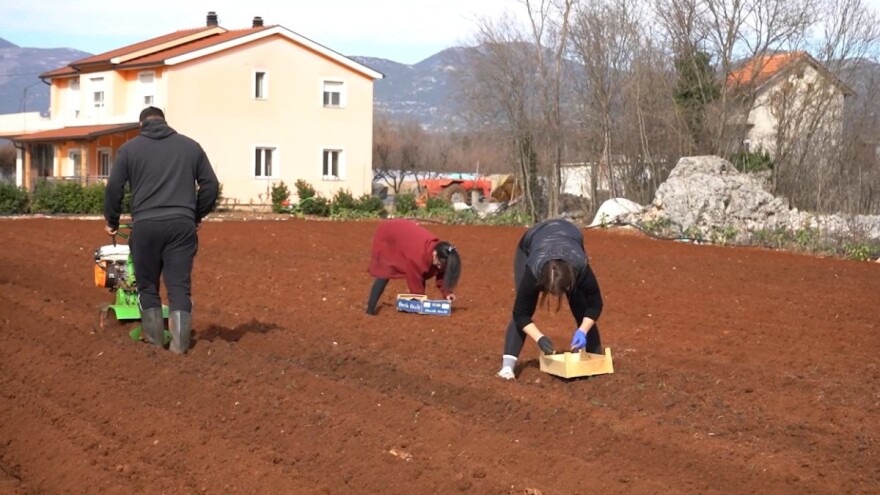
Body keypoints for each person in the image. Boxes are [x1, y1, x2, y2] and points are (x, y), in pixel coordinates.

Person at [103, 106, 219, 354]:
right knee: (179, 287)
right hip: (181, 226)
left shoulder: (129, 149)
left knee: (146, 286)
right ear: (165, 122)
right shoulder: (190, 146)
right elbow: (210, 184)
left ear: (141, 126)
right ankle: (179, 348)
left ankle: (155, 346)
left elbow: (114, 188)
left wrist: (112, 220)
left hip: (145, 226)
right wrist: (196, 214)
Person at [497, 219, 604, 380]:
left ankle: (594, 361)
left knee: (581, 304)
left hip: (570, 238)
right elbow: (520, 314)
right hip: (532, 241)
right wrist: (539, 338)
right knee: (524, 305)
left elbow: (596, 303)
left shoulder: (580, 268)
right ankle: (507, 367)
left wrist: (583, 330)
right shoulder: (533, 272)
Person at [366, 219, 461, 315]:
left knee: (422, 270)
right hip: (389, 232)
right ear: (434, 254)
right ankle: (370, 308)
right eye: (439, 264)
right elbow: (415, 278)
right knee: (385, 269)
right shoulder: (418, 257)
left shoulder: (442, 252)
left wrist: (447, 293)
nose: (439, 267)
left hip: (408, 237)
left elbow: (440, 273)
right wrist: (420, 301)